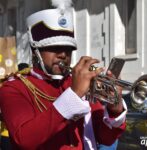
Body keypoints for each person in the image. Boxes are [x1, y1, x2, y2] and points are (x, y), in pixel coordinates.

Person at [0, 1, 127, 150]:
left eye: (68, 49)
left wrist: (115, 108)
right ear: (36, 51)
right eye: (54, 48)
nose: (62, 55)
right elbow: (24, 139)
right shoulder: (13, 88)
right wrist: (74, 95)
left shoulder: (79, 83)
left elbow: (105, 138)